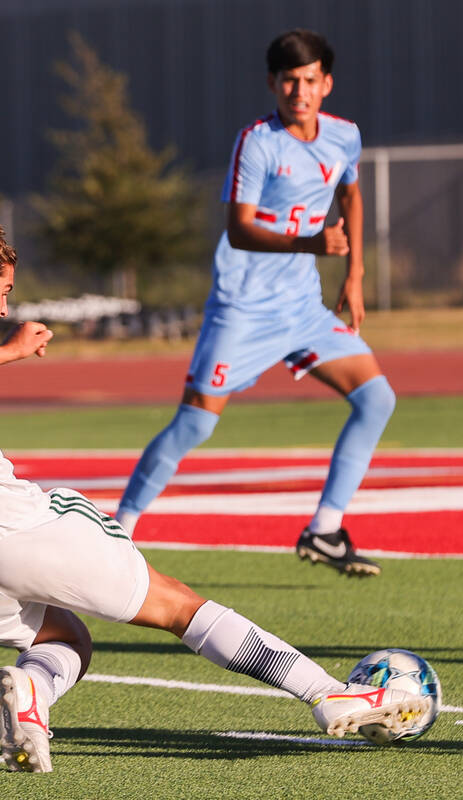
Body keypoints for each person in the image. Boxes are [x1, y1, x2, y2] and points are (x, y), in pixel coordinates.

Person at [0, 204, 428, 773]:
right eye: (3, 292)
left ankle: (31, 692)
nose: (4, 309)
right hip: (10, 529)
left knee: (67, 636)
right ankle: (329, 694)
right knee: (177, 605)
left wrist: (12, 352)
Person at [114, 29, 395, 577]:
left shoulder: (345, 137)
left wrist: (354, 274)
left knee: (377, 398)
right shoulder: (257, 142)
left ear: (326, 83)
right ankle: (119, 529)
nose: (299, 90)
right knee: (195, 424)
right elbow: (240, 230)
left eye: (310, 79)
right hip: (241, 307)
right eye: (289, 80)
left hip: (302, 309)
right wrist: (313, 244)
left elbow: (351, 194)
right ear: (273, 83)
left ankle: (326, 529)